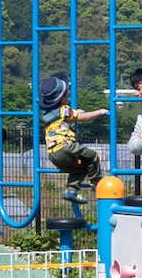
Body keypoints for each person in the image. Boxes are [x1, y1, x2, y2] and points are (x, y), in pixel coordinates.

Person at [39, 74, 111, 204]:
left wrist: (76, 112)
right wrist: (100, 112)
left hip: (53, 155)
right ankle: (96, 182)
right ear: (62, 99)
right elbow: (84, 117)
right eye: (67, 94)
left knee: (79, 167)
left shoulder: (48, 114)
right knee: (92, 156)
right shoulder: (64, 110)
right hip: (66, 147)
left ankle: (71, 191)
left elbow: (68, 117)